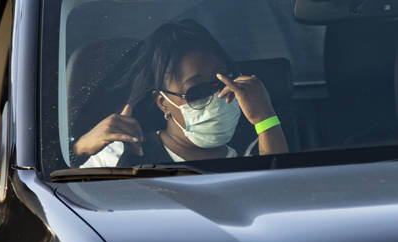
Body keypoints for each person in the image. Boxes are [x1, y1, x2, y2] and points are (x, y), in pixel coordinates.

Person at [72, 19, 287, 166]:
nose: (216, 97)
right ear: (163, 102)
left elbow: (280, 193)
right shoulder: (125, 153)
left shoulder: (253, 150)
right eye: (197, 91)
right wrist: (81, 149)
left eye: (222, 83)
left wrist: (265, 118)